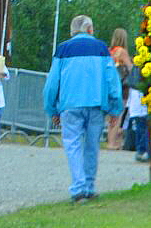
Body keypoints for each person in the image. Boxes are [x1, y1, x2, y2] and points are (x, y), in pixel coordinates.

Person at [44, 16, 123, 203]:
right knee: (92, 146)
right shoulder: (102, 48)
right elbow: (113, 81)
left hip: (70, 105)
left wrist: (52, 110)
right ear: (90, 29)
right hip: (96, 104)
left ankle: (78, 188)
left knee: (72, 144)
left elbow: (51, 84)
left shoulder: (63, 49)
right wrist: (115, 108)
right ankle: (89, 186)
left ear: (73, 31)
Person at [106, 27, 131, 147]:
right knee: (119, 114)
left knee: (111, 115)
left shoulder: (108, 50)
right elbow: (130, 68)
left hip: (109, 86)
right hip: (122, 86)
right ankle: (112, 142)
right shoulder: (122, 52)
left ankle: (113, 141)